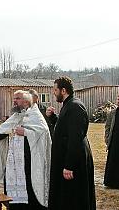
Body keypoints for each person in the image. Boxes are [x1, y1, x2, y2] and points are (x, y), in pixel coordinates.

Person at [0, 90, 52, 210]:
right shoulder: (17, 115)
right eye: (14, 99)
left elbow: (44, 133)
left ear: (26, 101)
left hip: (31, 162)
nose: (14, 101)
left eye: (17, 99)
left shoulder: (36, 115)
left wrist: (26, 132)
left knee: (30, 192)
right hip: (15, 164)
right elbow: (1, 132)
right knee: (14, 193)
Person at [46, 76, 96, 210]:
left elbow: (75, 137)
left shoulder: (75, 107)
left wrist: (69, 165)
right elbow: (65, 131)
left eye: (55, 90)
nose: (53, 93)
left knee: (75, 197)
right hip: (67, 159)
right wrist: (54, 118)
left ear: (63, 90)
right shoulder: (68, 105)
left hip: (75, 162)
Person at [103, 92, 119, 189]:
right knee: (113, 163)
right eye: (118, 99)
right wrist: (107, 140)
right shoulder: (112, 113)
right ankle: (112, 183)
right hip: (114, 143)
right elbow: (107, 127)